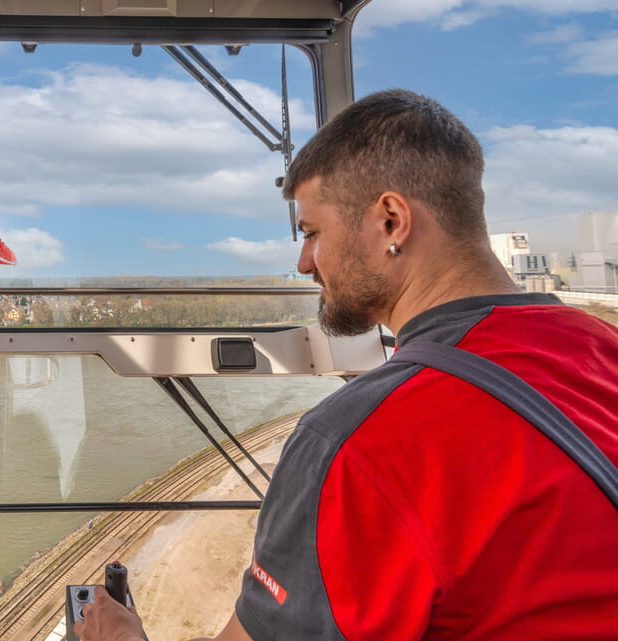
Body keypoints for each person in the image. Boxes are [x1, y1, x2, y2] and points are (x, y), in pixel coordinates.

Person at [74, 89, 618, 641]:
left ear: (390, 221)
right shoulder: (602, 347)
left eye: (312, 233)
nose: (304, 261)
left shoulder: (357, 442)